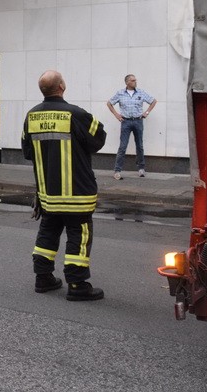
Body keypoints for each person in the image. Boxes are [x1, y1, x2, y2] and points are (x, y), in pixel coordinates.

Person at [21, 70, 107, 301]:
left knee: (48, 231)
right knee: (79, 234)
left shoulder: (31, 117)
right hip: (77, 192)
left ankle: (43, 278)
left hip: (48, 193)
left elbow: (27, 151)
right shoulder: (76, 114)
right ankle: (78, 284)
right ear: (62, 86)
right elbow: (99, 138)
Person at [107, 74, 157, 180]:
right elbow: (109, 103)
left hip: (138, 121)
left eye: (135, 80)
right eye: (133, 80)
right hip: (125, 122)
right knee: (123, 146)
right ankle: (117, 170)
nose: (135, 81)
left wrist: (146, 112)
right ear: (127, 82)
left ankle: (141, 169)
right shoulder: (120, 93)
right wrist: (117, 115)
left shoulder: (141, 92)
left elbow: (153, 101)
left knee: (139, 145)